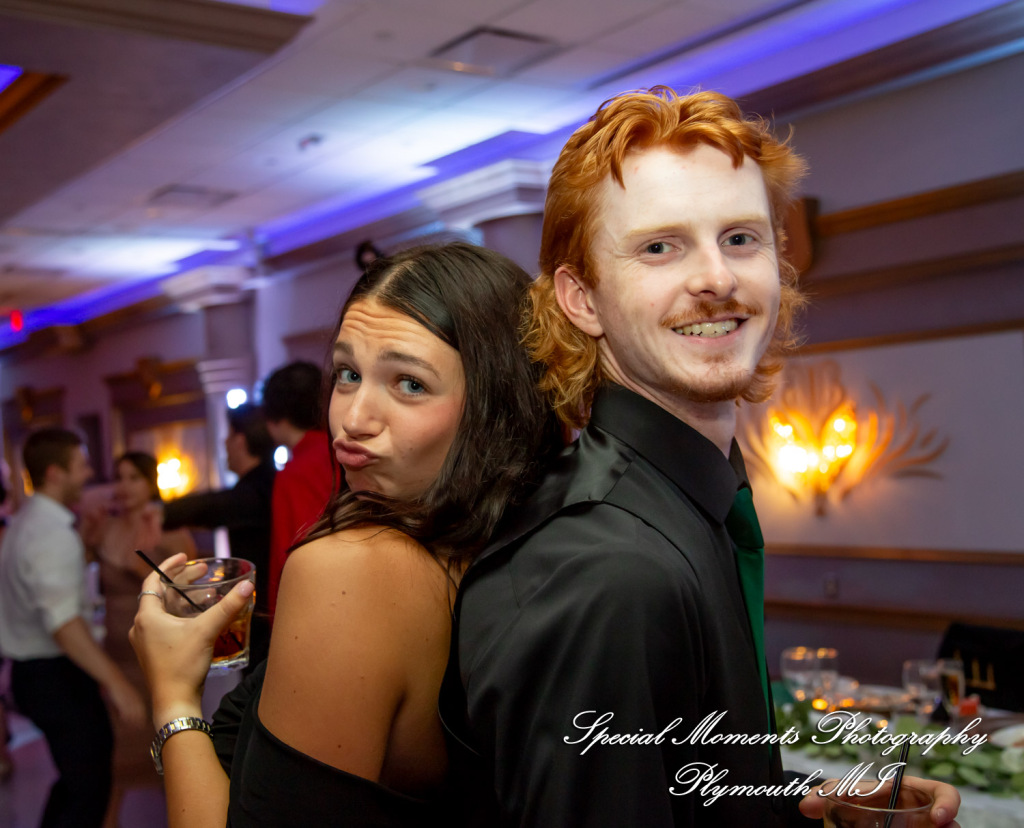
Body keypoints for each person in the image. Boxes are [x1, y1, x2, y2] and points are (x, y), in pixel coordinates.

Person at [439, 88, 962, 826]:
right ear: (582, 299)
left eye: (741, 238)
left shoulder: (683, 505)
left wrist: (816, 814)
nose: (717, 278)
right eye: (660, 247)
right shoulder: (606, 570)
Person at [130, 243, 563, 827]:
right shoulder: (514, 540)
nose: (353, 419)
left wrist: (173, 696)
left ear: (495, 406)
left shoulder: (351, 567)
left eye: (409, 384)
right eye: (348, 374)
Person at [0, 428, 146, 828]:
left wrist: (83, 542)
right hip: (53, 676)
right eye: (81, 465)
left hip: (33, 674)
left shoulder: (26, 522)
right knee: (89, 790)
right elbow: (64, 624)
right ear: (55, 473)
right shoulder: (49, 533)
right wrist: (118, 683)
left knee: (75, 782)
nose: (89, 474)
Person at [162, 402, 277, 670]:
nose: (224, 443)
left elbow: (217, 506)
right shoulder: (263, 483)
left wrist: (162, 513)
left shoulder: (259, 488)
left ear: (240, 441)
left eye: (228, 435)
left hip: (266, 617)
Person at [261, 360, 335, 618]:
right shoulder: (341, 451)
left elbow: (291, 560)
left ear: (274, 415)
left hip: (313, 611)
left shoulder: (294, 474)